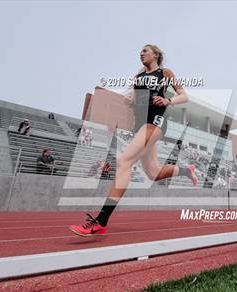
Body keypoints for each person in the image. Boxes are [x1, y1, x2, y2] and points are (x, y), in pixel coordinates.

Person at [69, 44, 197, 236]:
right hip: (141, 125)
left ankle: (101, 220)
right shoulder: (138, 78)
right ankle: (186, 170)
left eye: (145, 50)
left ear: (156, 55)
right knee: (153, 173)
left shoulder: (165, 73)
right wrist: (131, 101)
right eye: (140, 51)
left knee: (124, 161)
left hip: (155, 122)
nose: (141, 53)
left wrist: (167, 101)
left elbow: (184, 96)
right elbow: (134, 98)